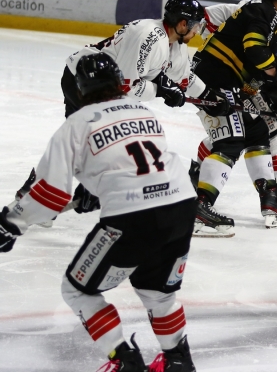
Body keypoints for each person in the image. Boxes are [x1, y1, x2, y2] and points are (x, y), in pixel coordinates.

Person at [0, 53, 197, 371]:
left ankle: (125, 362)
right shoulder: (142, 110)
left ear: (80, 88)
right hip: (181, 206)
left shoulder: (78, 123)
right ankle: (178, 361)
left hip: (133, 215)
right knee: (157, 292)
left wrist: (11, 222)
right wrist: (92, 189)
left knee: (78, 290)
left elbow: (50, 193)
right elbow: (132, 159)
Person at [14, 0, 221, 221]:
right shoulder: (149, 36)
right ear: (182, 24)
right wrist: (160, 90)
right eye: (195, 26)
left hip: (101, 89)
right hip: (82, 81)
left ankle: (41, 192)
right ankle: (43, 192)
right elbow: (126, 87)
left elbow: (184, 78)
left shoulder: (175, 45)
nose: (197, 31)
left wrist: (210, 97)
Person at [190, 0, 277, 236]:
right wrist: (276, 79)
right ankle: (200, 207)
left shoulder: (274, 20)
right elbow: (254, 49)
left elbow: (257, 65)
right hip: (213, 80)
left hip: (225, 80)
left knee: (256, 132)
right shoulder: (263, 12)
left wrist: (275, 93)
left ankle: (270, 199)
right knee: (230, 139)